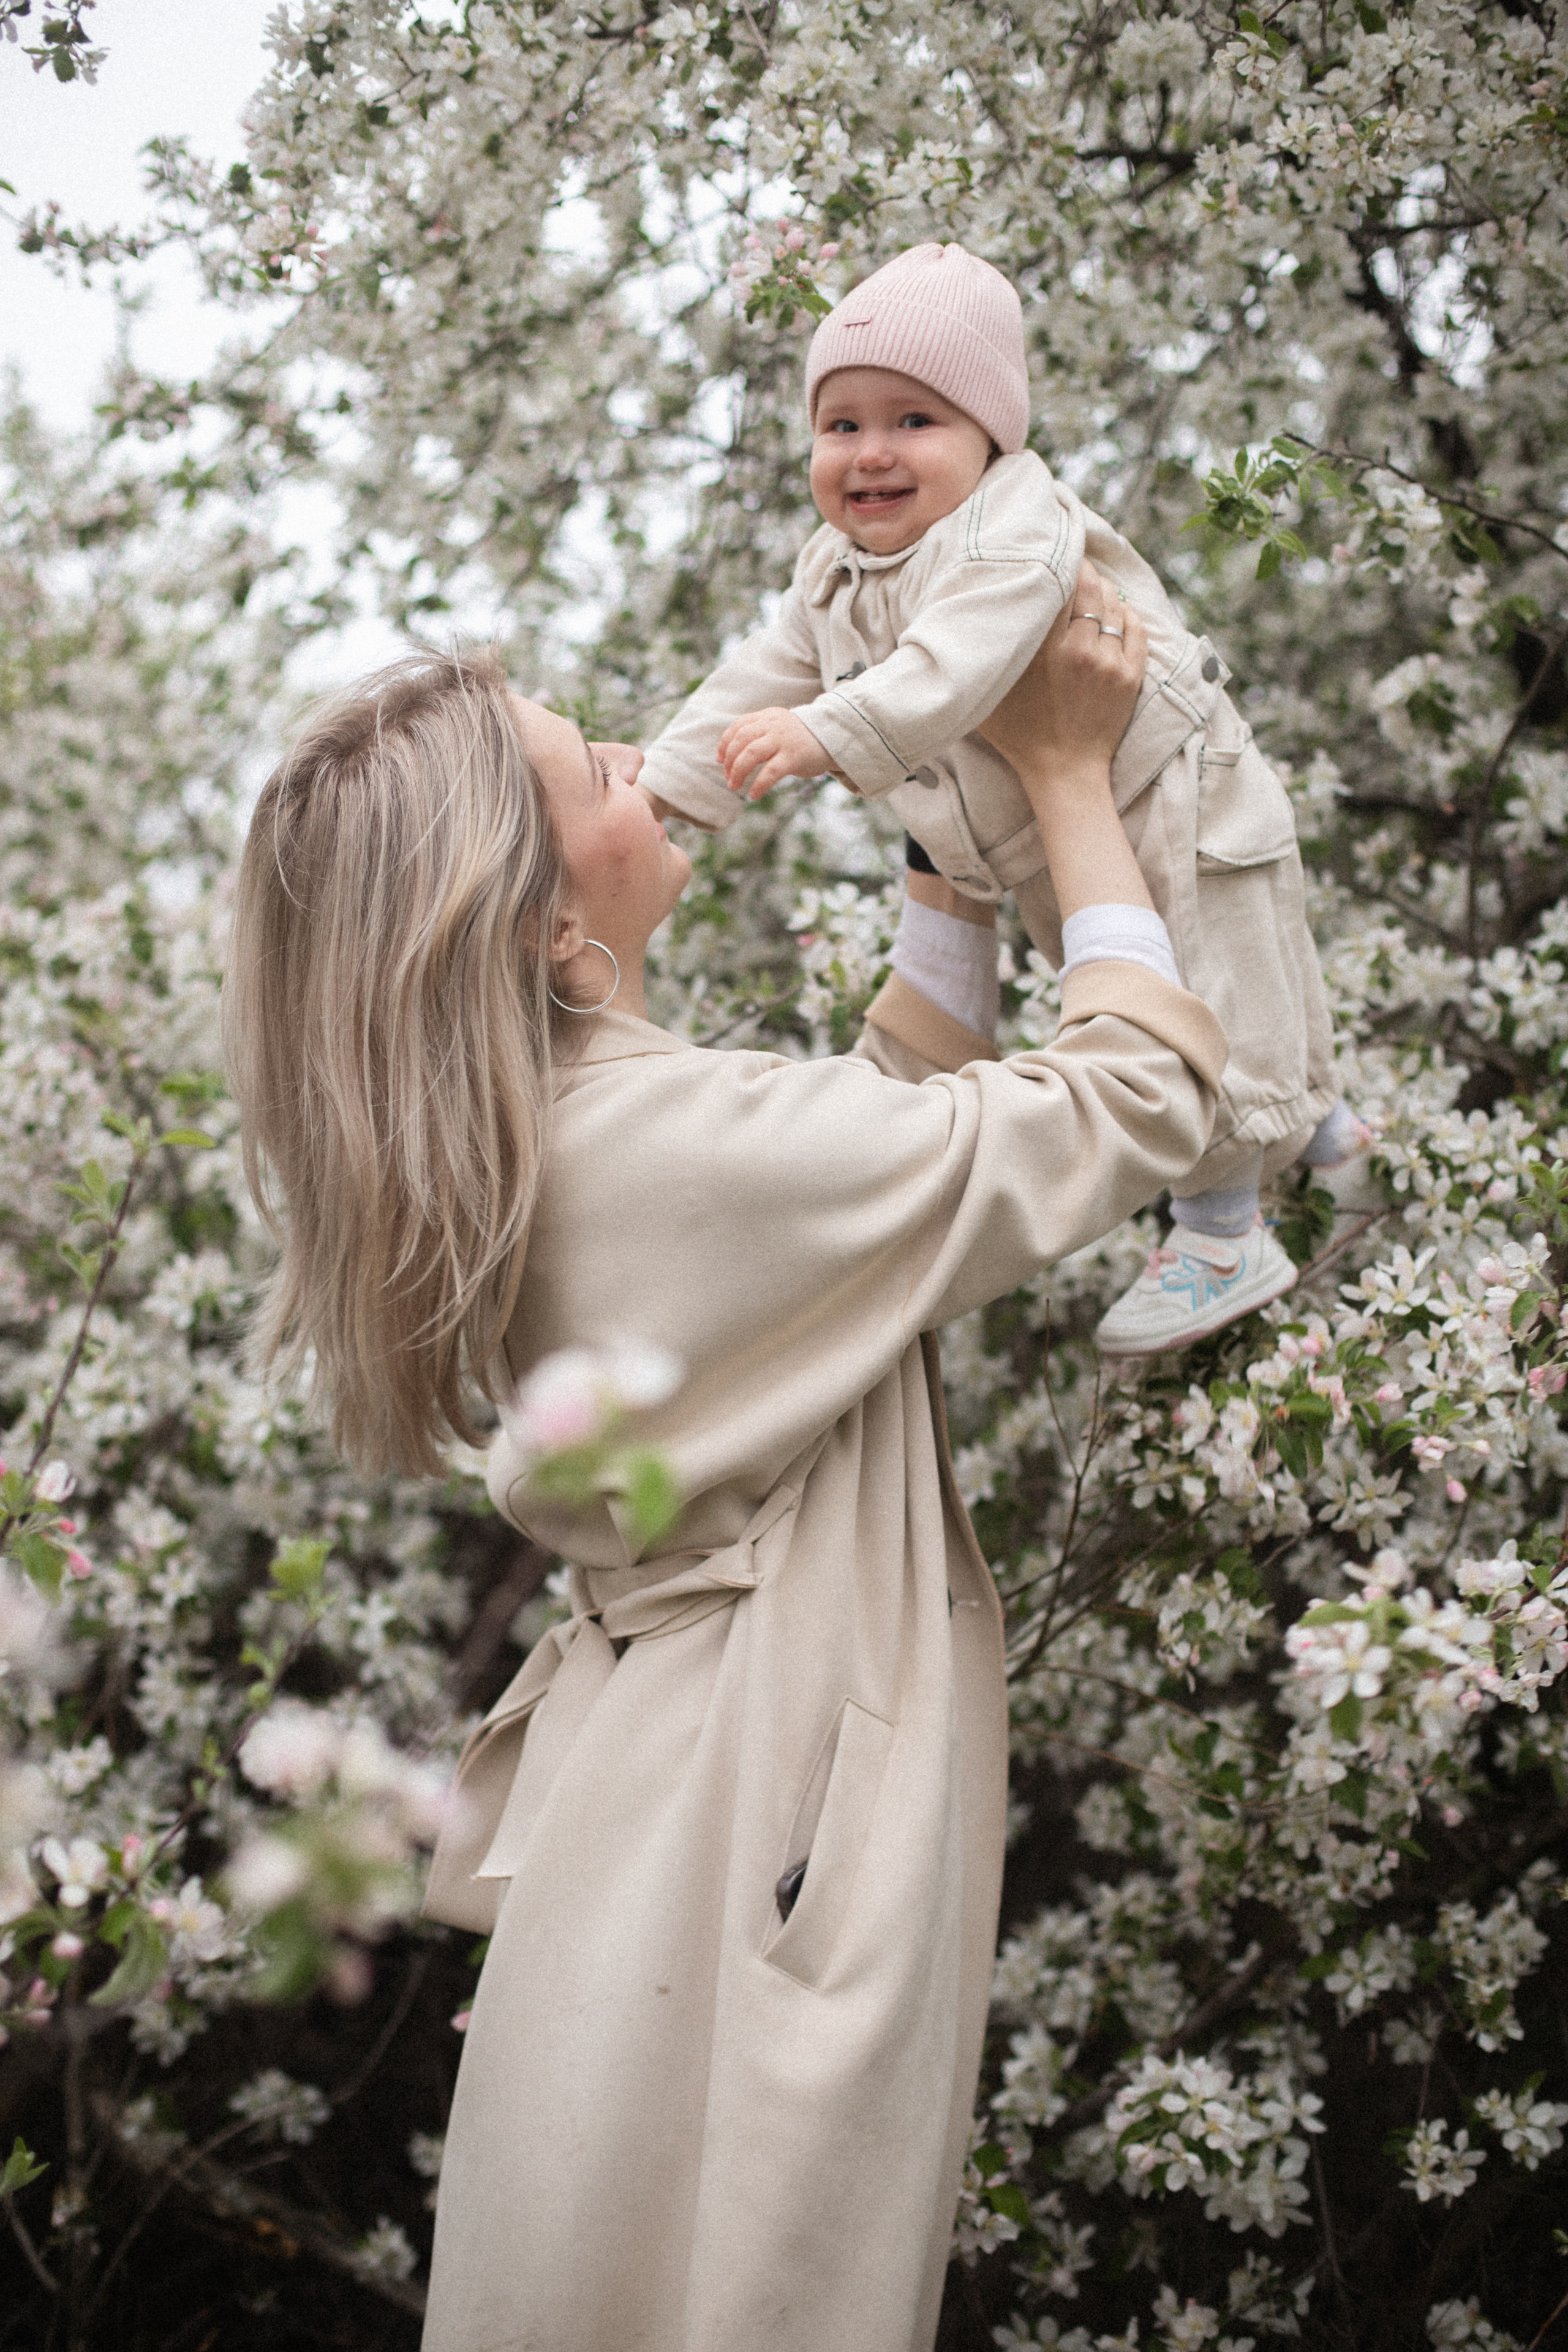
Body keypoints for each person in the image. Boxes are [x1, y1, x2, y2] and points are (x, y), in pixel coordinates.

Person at [224, 575, 1226, 2352]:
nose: (646, 759)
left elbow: (854, 1181)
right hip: (744, 1815)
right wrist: (1067, 780)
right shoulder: (664, 1151)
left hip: (668, 1805)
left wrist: (944, 876)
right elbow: (1133, 1104)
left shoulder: (580, 1138)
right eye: (592, 764)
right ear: (540, 920)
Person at [638, 241, 1370, 1357]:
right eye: (841, 426)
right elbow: (761, 670)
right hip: (1057, 828)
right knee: (1192, 976)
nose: (870, 454)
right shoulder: (834, 569)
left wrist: (826, 734)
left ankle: (1224, 1230)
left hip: (1169, 793)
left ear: (993, 437)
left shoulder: (1013, 530)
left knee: (1196, 989)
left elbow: (958, 664)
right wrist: (664, 787)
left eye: (913, 421)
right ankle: (1321, 1126)